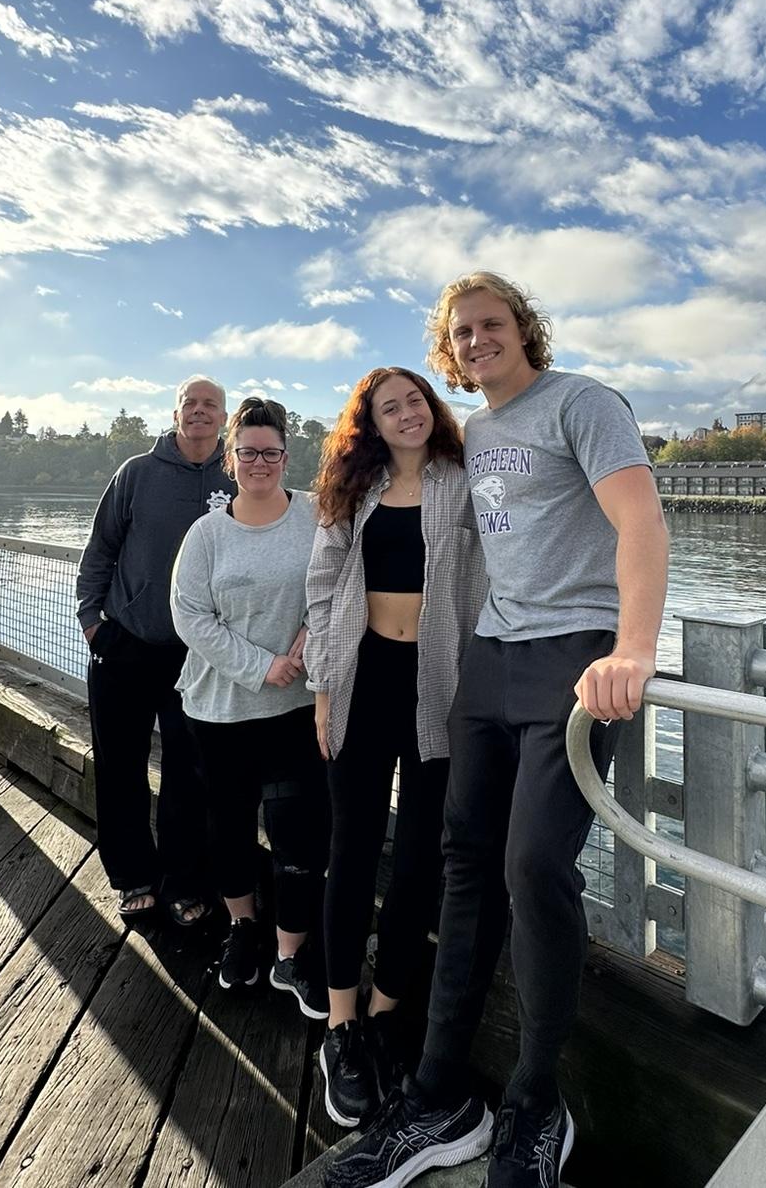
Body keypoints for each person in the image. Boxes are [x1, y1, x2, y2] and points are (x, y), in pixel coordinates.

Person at [328, 271, 669, 1188]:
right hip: (490, 657)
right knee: (462, 858)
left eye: (492, 324)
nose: (478, 340)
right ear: (450, 352)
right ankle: (441, 1097)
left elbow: (640, 518)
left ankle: (534, 1102)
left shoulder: (583, 404)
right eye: (462, 332)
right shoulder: (474, 433)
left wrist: (632, 648)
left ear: (524, 330)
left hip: (575, 659)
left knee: (533, 866)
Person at [306, 367, 486, 1129]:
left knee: (417, 861)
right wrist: (322, 686)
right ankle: (340, 1025)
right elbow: (321, 586)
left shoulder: (465, 477)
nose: (407, 413)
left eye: (415, 400)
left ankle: (385, 1013)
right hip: (362, 676)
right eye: (390, 408)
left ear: (431, 408)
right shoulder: (357, 488)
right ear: (371, 424)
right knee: (350, 852)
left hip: (439, 684)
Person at [171, 396, 331, 1019]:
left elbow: (335, 586)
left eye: (270, 452)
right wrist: (262, 665)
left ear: (285, 458)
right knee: (230, 826)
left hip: (293, 711)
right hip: (220, 711)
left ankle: (289, 952)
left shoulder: (314, 518)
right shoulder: (207, 533)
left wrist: (309, 640)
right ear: (230, 460)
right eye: (247, 452)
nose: (259, 462)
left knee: (297, 832)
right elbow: (189, 615)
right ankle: (243, 927)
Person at [76, 375, 234, 927]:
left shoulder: (237, 479)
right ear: (175, 414)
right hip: (126, 643)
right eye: (190, 404)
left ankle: (183, 879)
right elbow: (100, 549)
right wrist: (92, 622)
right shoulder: (137, 474)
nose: (199, 412)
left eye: (209, 404)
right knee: (120, 768)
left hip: (198, 655)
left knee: (191, 774)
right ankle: (133, 876)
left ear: (224, 416)